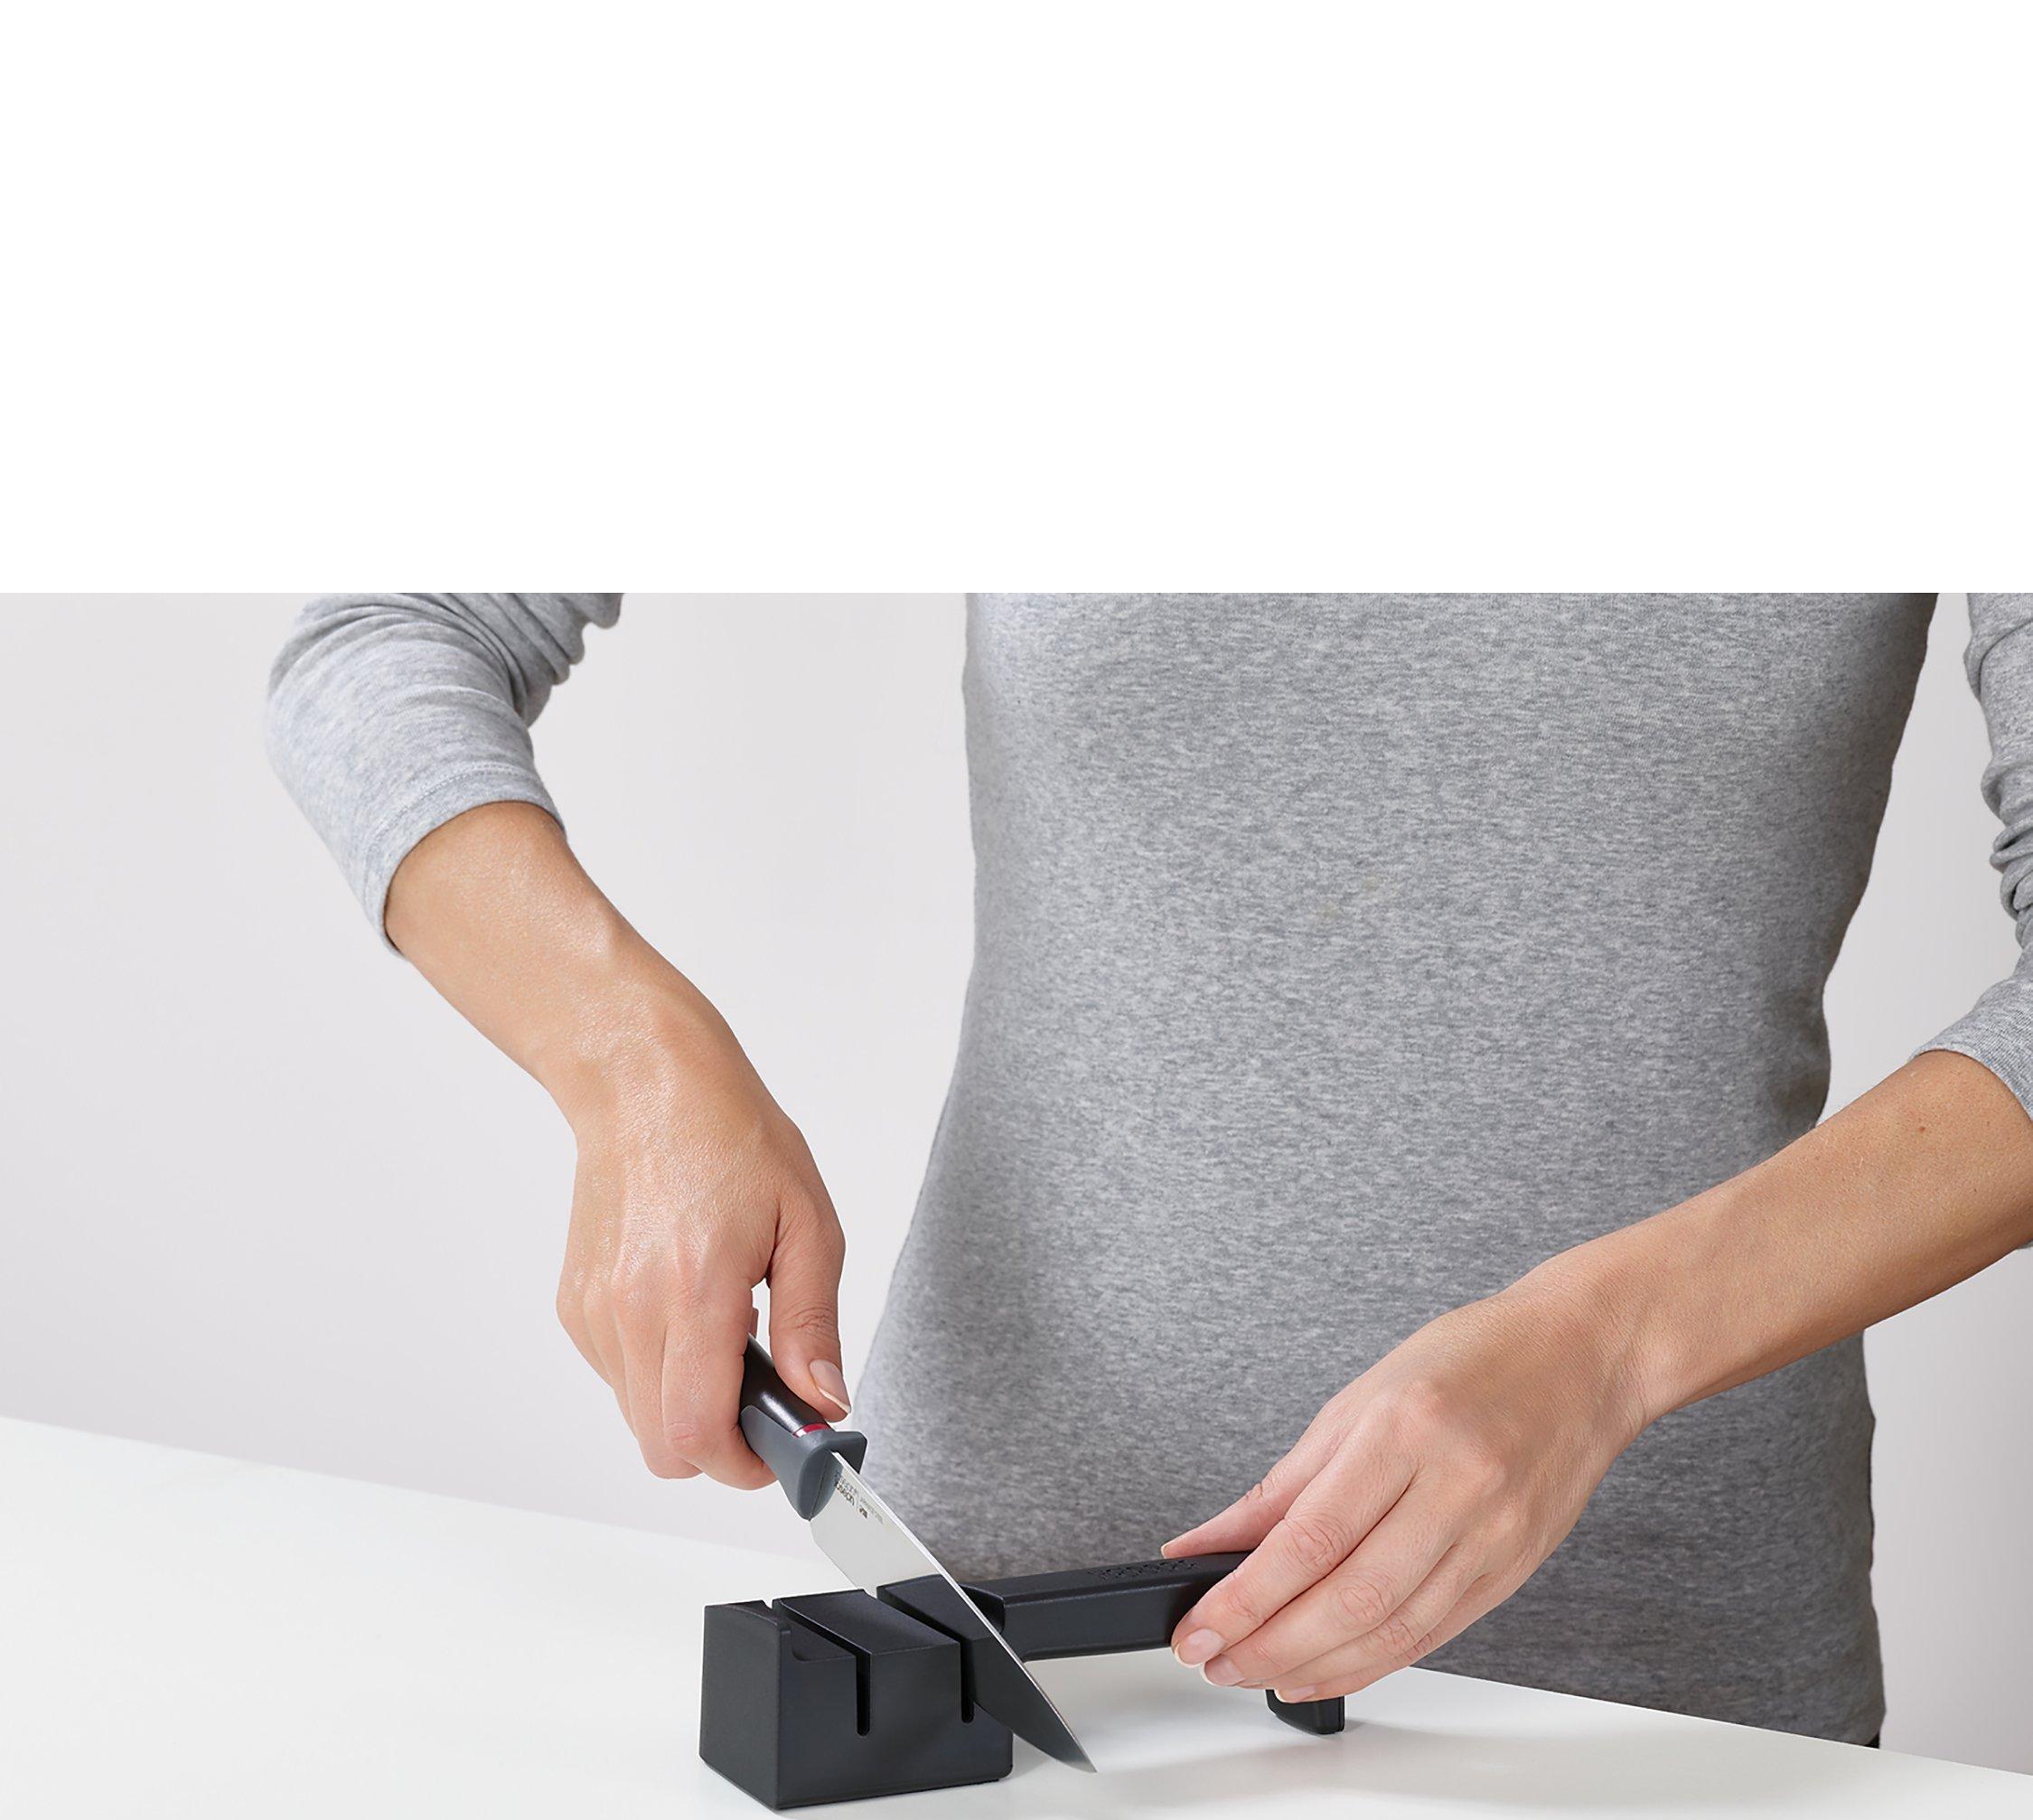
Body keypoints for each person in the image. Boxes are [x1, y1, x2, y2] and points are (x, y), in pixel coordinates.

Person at [267, 594, 2033, 1743]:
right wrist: (629, 1064)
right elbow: (385, 642)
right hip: (997, 1670)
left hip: (1653, 1697)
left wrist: (1611, 1345)